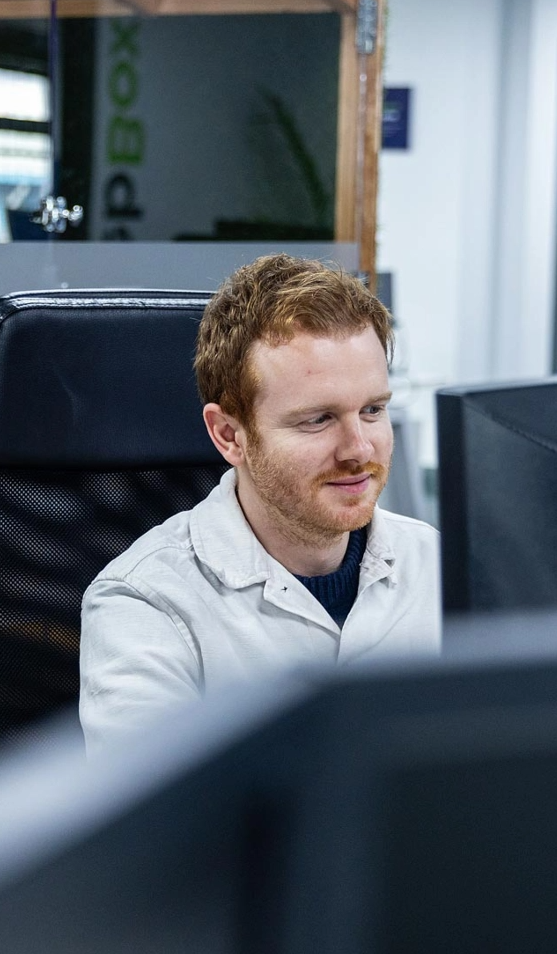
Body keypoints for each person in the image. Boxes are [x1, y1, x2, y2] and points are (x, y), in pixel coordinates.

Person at [79, 254, 441, 753]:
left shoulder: (440, 567)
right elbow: (159, 825)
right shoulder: (145, 603)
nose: (359, 448)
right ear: (229, 435)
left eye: (373, 410)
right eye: (318, 419)